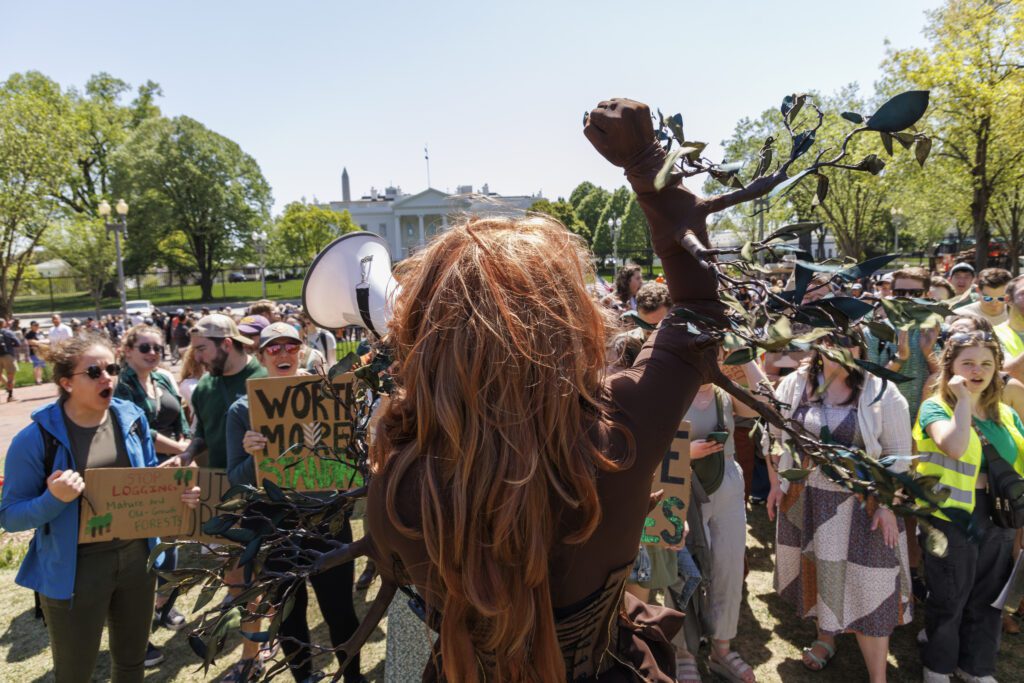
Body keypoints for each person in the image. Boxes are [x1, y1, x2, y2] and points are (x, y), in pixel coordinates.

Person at [364, 206, 722, 680]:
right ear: (569, 321)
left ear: (426, 333)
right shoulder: (620, 430)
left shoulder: (395, 485)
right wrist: (645, 165)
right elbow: (701, 309)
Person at [0, 332, 200, 682]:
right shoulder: (35, 439)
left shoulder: (132, 419)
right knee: (75, 673)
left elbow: (145, 481)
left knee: (131, 662)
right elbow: (10, 516)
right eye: (94, 372)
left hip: (138, 560)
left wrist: (173, 490)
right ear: (66, 382)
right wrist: (53, 499)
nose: (107, 377)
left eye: (112, 368)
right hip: (75, 571)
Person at [767, 332, 913, 683]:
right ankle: (826, 636)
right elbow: (772, 434)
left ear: (861, 348)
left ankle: (877, 677)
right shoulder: (796, 384)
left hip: (866, 505)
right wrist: (776, 483)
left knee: (871, 584)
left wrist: (888, 506)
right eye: (830, 342)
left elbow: (898, 455)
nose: (840, 351)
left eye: (849, 343)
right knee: (821, 571)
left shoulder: (881, 390)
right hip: (809, 498)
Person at [224, 322, 364, 683]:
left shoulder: (330, 395)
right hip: (274, 525)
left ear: (301, 351)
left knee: (340, 610)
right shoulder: (242, 410)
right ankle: (304, 677)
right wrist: (251, 455)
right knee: (289, 612)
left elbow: (350, 460)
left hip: (326, 521)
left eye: (290, 346)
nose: (283, 353)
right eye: (273, 348)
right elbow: (235, 480)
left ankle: (353, 676)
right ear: (261, 357)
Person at [914, 331, 1023, 682]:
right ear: (951, 367)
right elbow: (956, 447)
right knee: (949, 595)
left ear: (997, 369)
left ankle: (975, 666)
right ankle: (939, 665)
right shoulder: (935, 406)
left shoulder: (1006, 414)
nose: (978, 371)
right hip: (950, 516)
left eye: (986, 364)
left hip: (999, 515)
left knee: (989, 595)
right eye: (968, 363)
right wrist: (962, 398)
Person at [0, 318, 20, 401]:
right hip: (8, 355)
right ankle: (10, 396)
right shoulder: (8, 332)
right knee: (10, 376)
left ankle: (6, 387)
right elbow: (18, 343)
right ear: (3, 324)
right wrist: (10, 345)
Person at [25, 320, 46, 385]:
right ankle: (37, 380)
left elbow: (45, 340)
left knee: (41, 366)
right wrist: (39, 342)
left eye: (38, 325)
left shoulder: (40, 332)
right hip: (34, 352)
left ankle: (40, 379)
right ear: (31, 326)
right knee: (37, 365)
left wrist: (38, 342)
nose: (37, 326)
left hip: (41, 351)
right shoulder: (29, 334)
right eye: (35, 325)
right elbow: (30, 342)